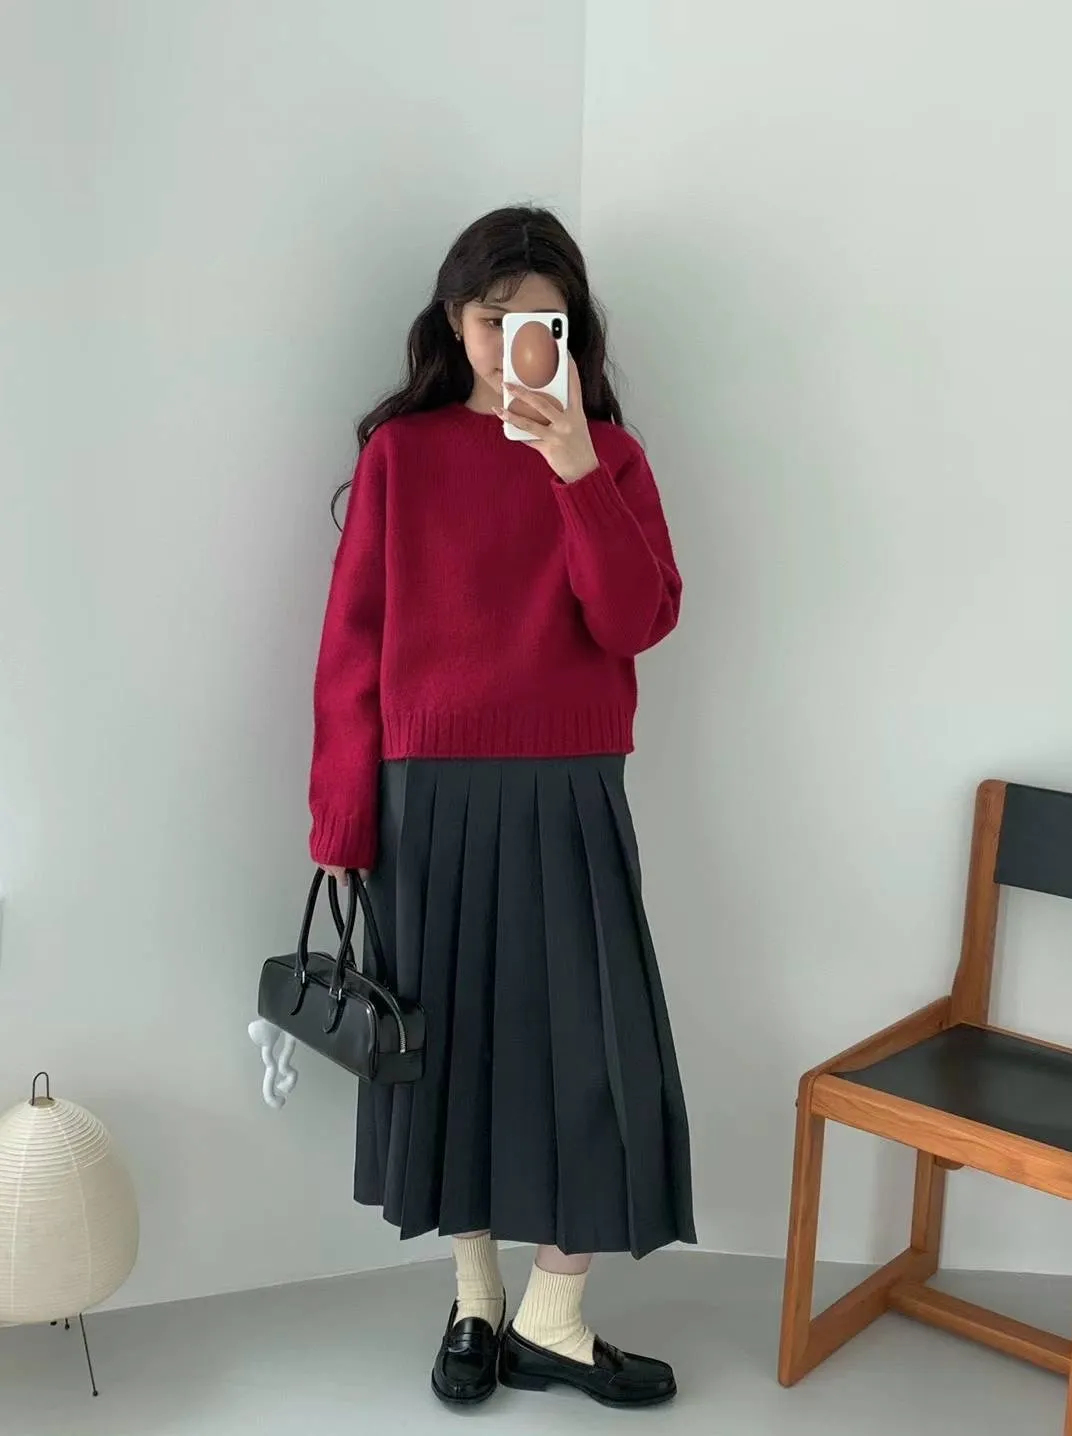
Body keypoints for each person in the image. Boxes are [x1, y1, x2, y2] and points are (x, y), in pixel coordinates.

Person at [309, 205, 695, 1410]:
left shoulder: (608, 457)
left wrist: (574, 469)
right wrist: (341, 816)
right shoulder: (402, 454)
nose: (512, 341)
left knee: (600, 1058)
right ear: (452, 320)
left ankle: (553, 1314)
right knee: (445, 1054)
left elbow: (633, 619)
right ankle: (476, 1301)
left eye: (542, 321)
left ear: (571, 330)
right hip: (425, 794)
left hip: (571, 782)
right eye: (490, 318)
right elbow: (351, 645)